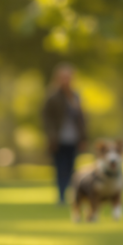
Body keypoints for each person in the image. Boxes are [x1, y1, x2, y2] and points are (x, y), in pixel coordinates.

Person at [42, 63, 88, 205]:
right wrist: (51, 136)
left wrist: (83, 137)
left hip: (73, 138)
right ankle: (61, 196)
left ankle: (72, 195)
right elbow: (46, 118)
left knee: (72, 169)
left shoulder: (75, 96)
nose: (66, 80)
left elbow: (82, 118)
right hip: (58, 139)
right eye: (63, 77)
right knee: (60, 168)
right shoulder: (52, 97)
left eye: (68, 77)